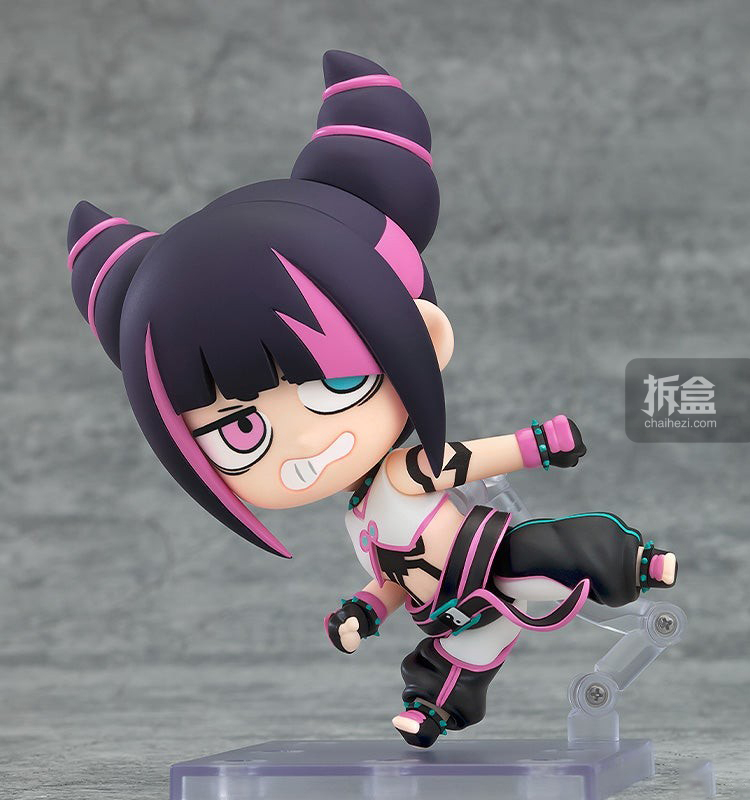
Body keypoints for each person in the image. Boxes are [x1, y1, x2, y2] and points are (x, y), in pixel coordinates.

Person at [67, 50, 677, 748]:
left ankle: (637, 562)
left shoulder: (401, 474)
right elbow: (392, 577)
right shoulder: (358, 521)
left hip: (490, 557)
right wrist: (363, 611)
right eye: (241, 432)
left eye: (337, 385)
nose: (302, 443)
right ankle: (432, 711)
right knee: (454, 664)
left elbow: (462, 460)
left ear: (426, 336)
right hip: (451, 609)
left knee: (560, 549)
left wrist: (539, 443)